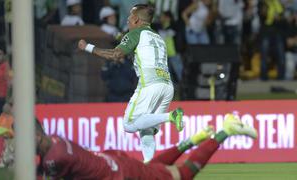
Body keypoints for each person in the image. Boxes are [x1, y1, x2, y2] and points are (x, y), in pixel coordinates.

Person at [78, 4, 183, 162]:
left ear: (136, 19)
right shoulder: (158, 37)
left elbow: (115, 54)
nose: (127, 20)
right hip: (167, 86)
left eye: (129, 17)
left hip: (150, 84)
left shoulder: (135, 33)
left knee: (129, 124)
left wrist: (88, 47)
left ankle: (171, 116)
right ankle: (149, 166)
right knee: (146, 130)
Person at [36, 113, 258, 179]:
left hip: (120, 174)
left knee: (183, 175)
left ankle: (226, 130)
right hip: (113, 163)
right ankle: (192, 140)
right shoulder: (55, 140)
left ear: (37, 136)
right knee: (152, 169)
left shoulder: (55, 158)